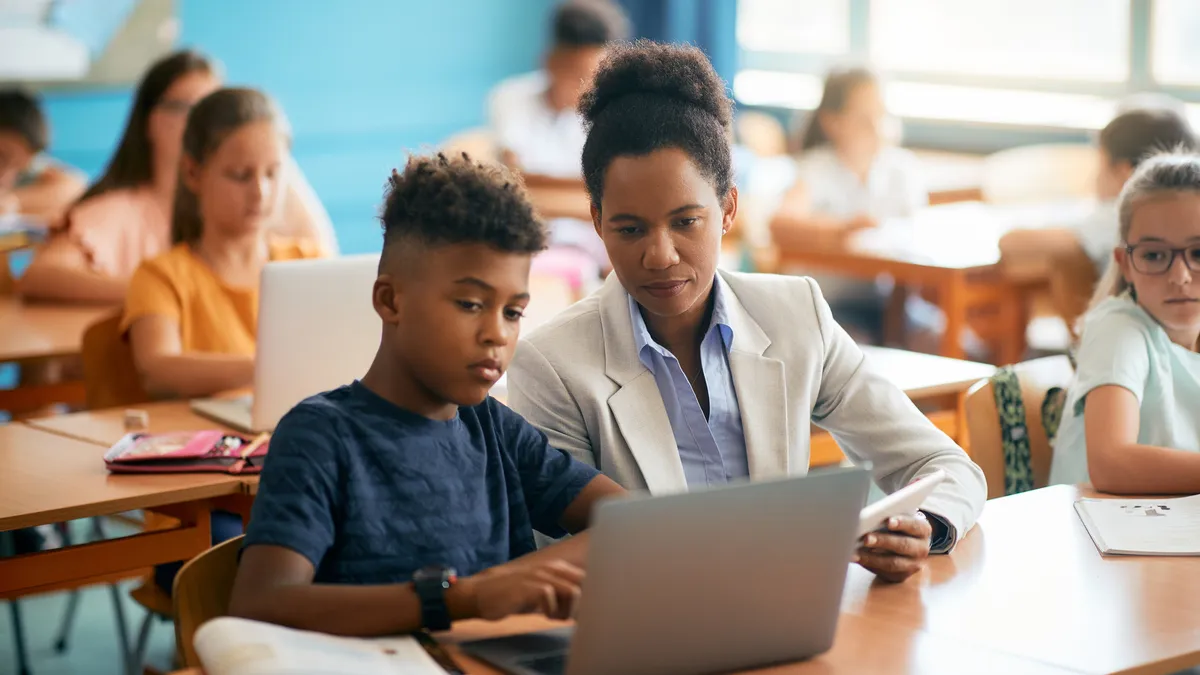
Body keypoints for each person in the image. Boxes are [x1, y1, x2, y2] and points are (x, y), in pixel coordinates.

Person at [507, 40, 986, 584]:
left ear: (729, 208)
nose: (660, 255)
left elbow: (947, 467)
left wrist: (924, 526)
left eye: (686, 221)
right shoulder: (552, 364)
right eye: (630, 228)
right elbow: (558, 565)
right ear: (597, 221)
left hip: (789, 617)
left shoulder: (795, 314)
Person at [228, 153, 625, 636]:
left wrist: (513, 580)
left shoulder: (495, 430)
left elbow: (628, 520)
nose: (496, 334)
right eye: (471, 304)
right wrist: (464, 599)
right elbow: (261, 603)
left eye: (513, 312)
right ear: (391, 300)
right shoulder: (320, 436)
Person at [17, 50, 336, 303]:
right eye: (194, 109)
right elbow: (39, 276)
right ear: (151, 120)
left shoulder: (262, 190)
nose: (211, 124)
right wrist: (164, 293)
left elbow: (323, 261)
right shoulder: (118, 212)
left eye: (219, 109)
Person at [121, 87, 323, 402]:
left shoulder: (309, 262)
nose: (260, 191)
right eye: (241, 175)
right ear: (192, 173)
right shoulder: (161, 276)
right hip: (209, 443)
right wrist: (266, 368)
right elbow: (157, 370)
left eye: (272, 173)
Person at [1048, 152, 1200, 493]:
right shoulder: (1119, 328)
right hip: (1098, 537)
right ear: (1125, 263)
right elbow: (1110, 463)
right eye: (1154, 255)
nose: (1180, 276)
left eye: (1198, 253)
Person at [768, 67, 926, 341]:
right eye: (865, 118)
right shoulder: (815, 169)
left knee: (942, 340)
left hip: (889, 305)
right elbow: (781, 224)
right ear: (833, 123)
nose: (877, 127)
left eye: (881, 115)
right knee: (853, 350)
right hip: (830, 308)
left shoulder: (901, 170)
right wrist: (841, 231)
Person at [487, 0, 629, 279]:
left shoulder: (610, 113)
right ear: (550, 61)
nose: (585, 86)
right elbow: (516, 180)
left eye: (594, 76)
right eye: (576, 72)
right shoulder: (511, 98)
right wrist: (592, 194)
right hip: (527, 235)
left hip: (592, 244)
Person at [1000, 106, 1197, 281]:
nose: (1094, 178)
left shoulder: (1127, 214)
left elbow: (1013, 243)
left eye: (1100, 166)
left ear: (1124, 173)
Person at [0, 89, 85, 220]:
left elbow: (76, 188)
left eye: (18, 169)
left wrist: (13, 201)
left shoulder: (25, 159)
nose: (5, 179)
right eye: (2, 158)